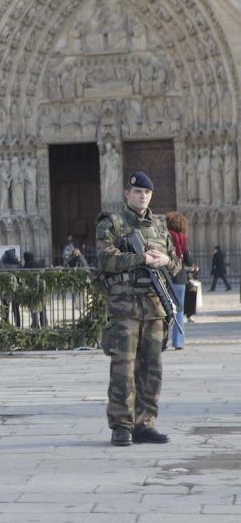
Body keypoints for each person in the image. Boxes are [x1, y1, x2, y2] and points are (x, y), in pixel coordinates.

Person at [96, 171, 181, 447]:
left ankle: (145, 423)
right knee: (123, 368)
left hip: (155, 308)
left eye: (146, 192)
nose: (142, 196)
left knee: (151, 369)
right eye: (137, 192)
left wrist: (165, 260)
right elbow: (106, 259)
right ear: (127, 194)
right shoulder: (112, 223)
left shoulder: (159, 227)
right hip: (125, 308)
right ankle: (121, 425)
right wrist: (140, 258)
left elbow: (177, 264)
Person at [166, 212, 193, 350]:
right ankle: (178, 342)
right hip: (179, 277)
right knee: (179, 310)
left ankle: (161, 341)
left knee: (162, 309)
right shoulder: (183, 238)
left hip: (164, 276)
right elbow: (189, 260)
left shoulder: (163, 236)